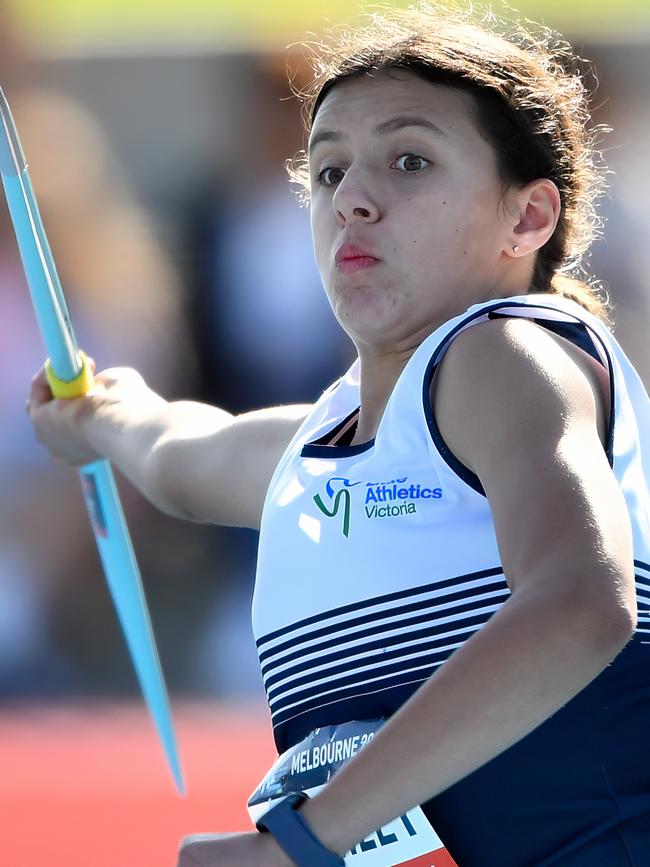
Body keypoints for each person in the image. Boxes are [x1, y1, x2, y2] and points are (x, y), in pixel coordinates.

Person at [26, 4, 650, 865]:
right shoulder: (323, 447)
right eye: (327, 172)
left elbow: (582, 605)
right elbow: (180, 455)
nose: (352, 199)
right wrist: (97, 413)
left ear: (527, 218)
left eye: (409, 160)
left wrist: (303, 841)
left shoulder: (504, 352)